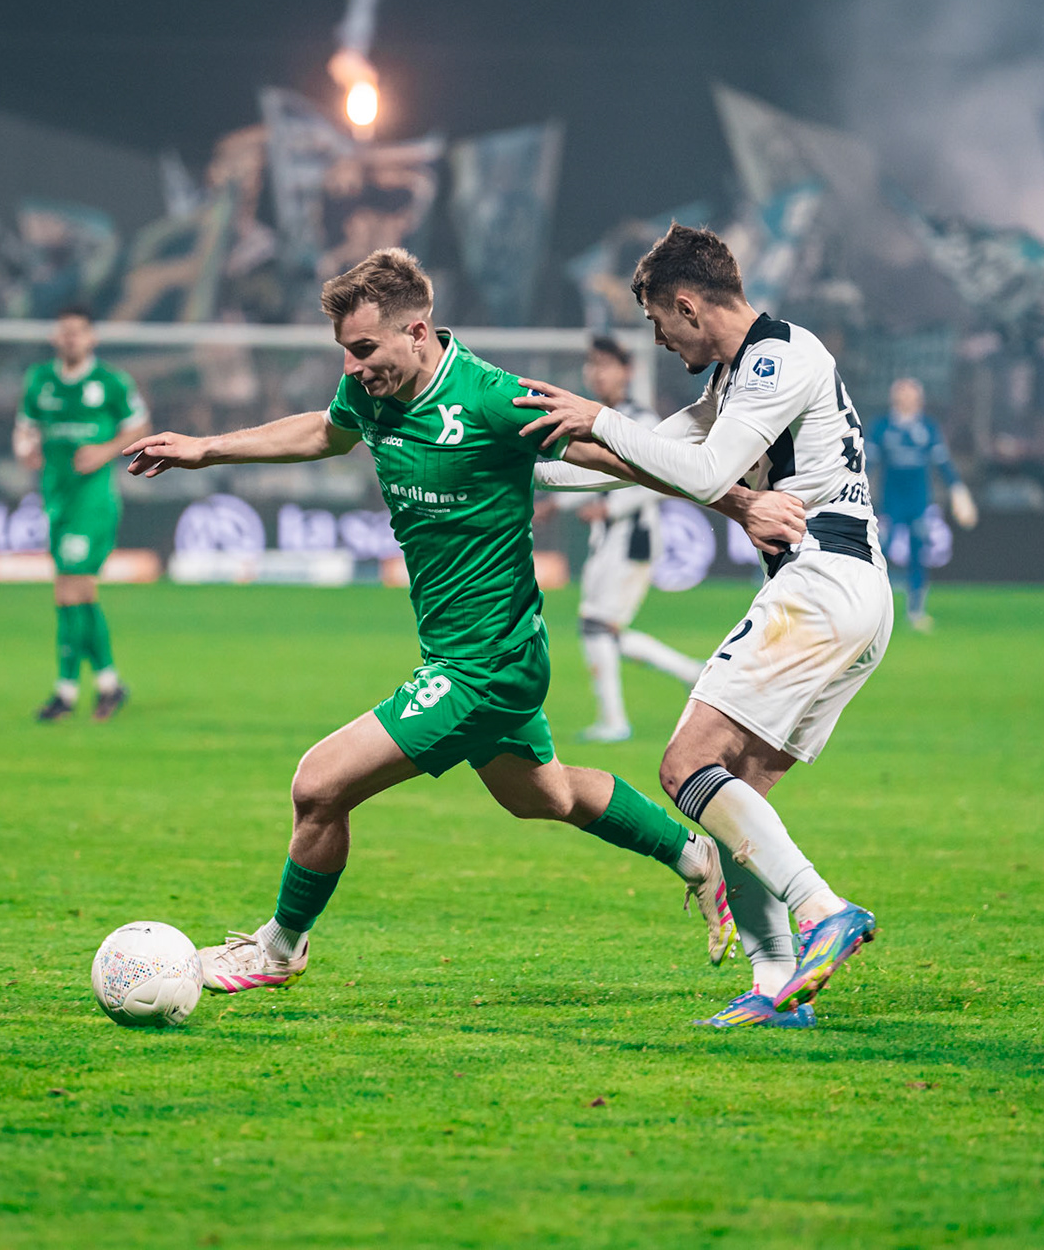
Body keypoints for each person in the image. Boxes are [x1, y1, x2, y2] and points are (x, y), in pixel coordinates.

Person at [120, 248, 808, 994]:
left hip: (483, 666)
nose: (352, 368)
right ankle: (695, 858)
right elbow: (324, 431)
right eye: (345, 353)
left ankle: (279, 949)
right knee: (541, 796)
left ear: (417, 332)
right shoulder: (373, 394)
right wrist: (206, 451)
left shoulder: (488, 400)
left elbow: (612, 457)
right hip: (478, 651)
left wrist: (739, 503)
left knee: (319, 785)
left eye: (364, 349)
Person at [516, 223, 888, 1029]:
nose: (657, 337)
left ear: (687, 303)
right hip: (848, 592)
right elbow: (649, 456)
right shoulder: (736, 381)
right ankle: (778, 983)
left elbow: (707, 473)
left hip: (821, 583)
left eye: (657, 320)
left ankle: (824, 911)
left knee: (685, 763)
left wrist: (598, 416)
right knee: (735, 793)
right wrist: (519, 464)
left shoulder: (777, 358)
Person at [556, 335, 704, 743]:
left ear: (627, 370)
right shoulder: (597, 416)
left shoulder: (640, 417)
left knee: (596, 626)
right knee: (606, 630)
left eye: (605, 364)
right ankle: (691, 673)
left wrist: (611, 509)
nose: (596, 372)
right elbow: (593, 475)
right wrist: (558, 503)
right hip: (608, 540)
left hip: (633, 536)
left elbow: (661, 476)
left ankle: (614, 721)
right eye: (592, 363)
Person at [14, 306, 149, 722]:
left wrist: (105, 451)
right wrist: (24, 446)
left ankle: (65, 692)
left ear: (92, 338)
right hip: (56, 499)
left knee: (68, 591)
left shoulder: (110, 382)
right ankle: (109, 684)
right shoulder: (39, 380)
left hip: (93, 503)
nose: (71, 338)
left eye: (79, 332)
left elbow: (139, 427)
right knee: (79, 592)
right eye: (65, 332)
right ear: (56, 337)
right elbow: (25, 427)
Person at [867, 377, 976, 632]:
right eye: (902, 393)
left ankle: (916, 611)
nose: (907, 398)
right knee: (878, 554)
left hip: (918, 503)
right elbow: (867, 465)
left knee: (918, 555)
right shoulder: (881, 427)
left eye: (912, 394)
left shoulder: (927, 428)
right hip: (889, 504)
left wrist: (958, 491)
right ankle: (871, 611)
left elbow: (943, 464)